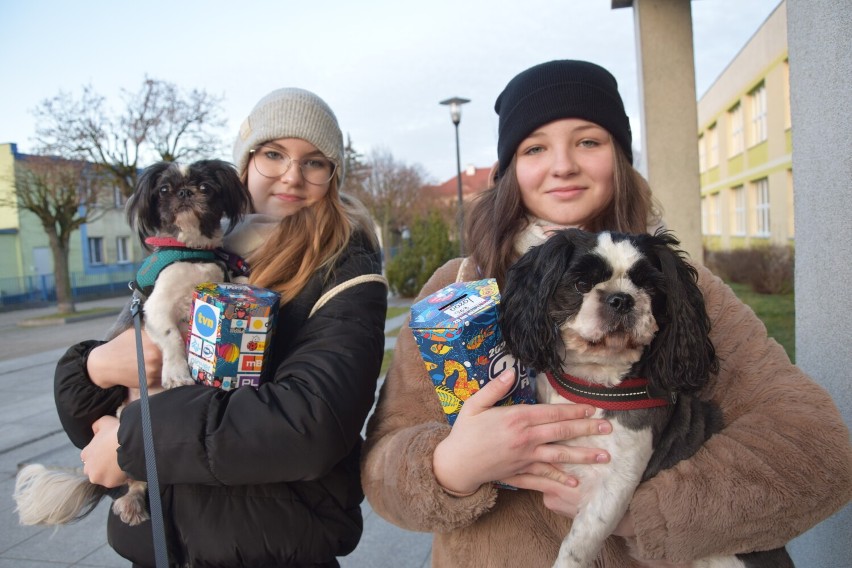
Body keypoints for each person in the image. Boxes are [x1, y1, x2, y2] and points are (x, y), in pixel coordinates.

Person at [361, 60, 852, 567]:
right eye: (534, 148)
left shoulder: (680, 288)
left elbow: (817, 450)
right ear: (508, 173)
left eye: (588, 141)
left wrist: (642, 513)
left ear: (619, 159)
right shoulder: (457, 289)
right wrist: (449, 466)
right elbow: (380, 471)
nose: (563, 165)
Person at [54, 88, 388, 567]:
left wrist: (135, 440)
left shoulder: (345, 269)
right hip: (159, 544)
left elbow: (311, 425)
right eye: (274, 154)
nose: (292, 175)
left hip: (271, 545)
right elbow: (85, 420)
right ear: (245, 164)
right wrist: (92, 368)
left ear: (332, 176)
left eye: (314, 162)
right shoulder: (194, 253)